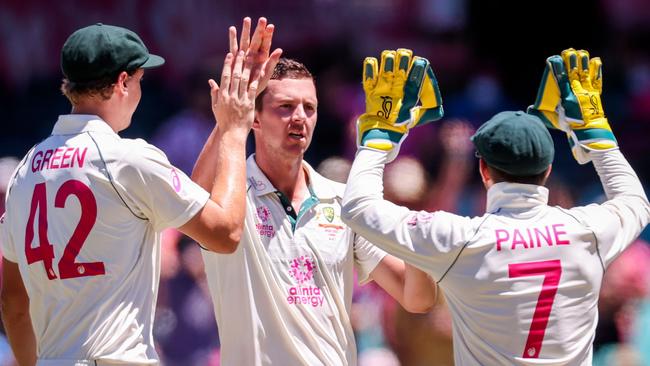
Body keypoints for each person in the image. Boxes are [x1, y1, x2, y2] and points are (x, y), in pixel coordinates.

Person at [342, 48, 650, 365]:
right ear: (546, 171)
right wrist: (596, 135)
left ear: (484, 171)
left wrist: (379, 135)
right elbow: (636, 201)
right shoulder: (589, 231)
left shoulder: (461, 238)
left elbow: (357, 206)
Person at [0, 18, 279, 365]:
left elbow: (13, 304)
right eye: (140, 80)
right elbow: (226, 232)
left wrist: (226, 122)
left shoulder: (25, 171)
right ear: (122, 83)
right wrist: (237, 130)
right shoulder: (128, 158)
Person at [195, 31, 437, 364]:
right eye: (285, 107)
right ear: (254, 117)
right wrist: (230, 116)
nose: (300, 118)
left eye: (309, 107)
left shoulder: (343, 202)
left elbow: (417, 298)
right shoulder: (231, 197)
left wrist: (416, 232)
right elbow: (195, 200)